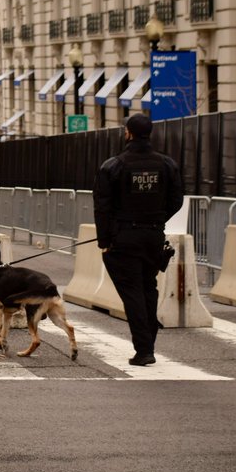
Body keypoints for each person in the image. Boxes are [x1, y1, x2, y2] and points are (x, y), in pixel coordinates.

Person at [93, 113, 184, 367]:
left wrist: (104, 240)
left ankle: (144, 349)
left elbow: (102, 206)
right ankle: (148, 345)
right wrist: (156, 218)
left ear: (128, 133)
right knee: (148, 287)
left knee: (132, 292)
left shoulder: (113, 165)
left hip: (124, 236)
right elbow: (177, 200)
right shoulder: (166, 164)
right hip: (153, 234)